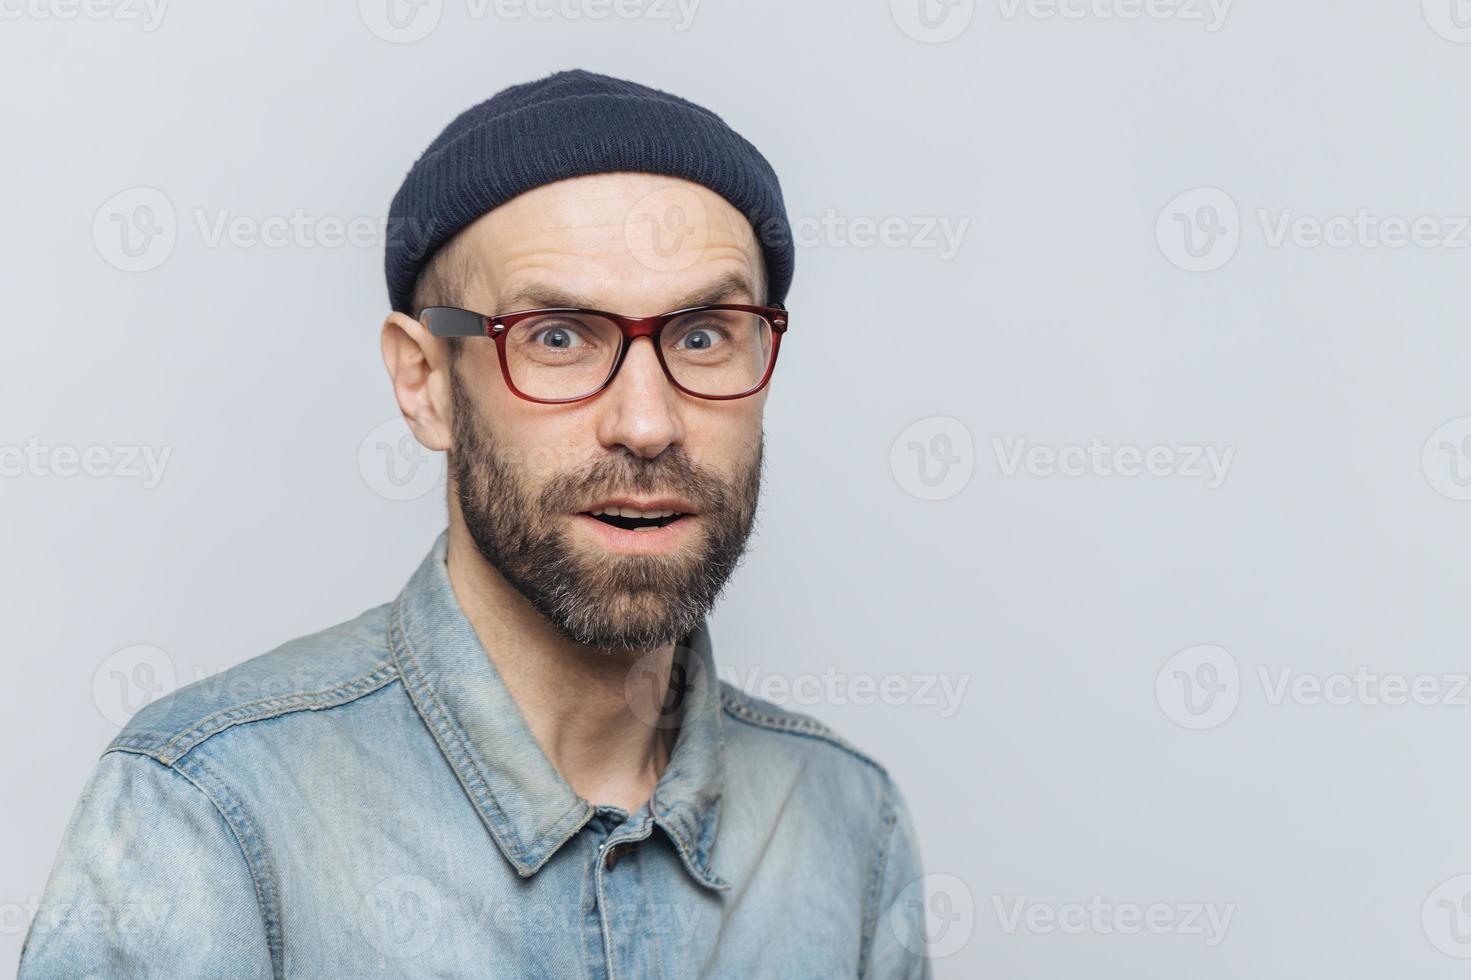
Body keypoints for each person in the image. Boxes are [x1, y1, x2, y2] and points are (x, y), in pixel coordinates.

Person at [21, 68, 928, 978]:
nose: (647, 424)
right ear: (424, 384)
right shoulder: (210, 812)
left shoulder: (845, 823)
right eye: (558, 337)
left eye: (702, 334)